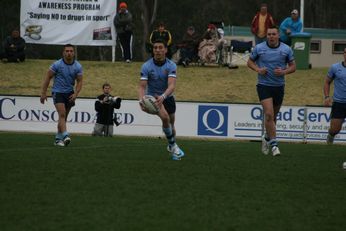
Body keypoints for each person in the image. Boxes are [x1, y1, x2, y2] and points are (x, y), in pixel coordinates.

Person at [247, 26, 296, 156]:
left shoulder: (286, 49)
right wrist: (258, 70)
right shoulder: (259, 48)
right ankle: (274, 145)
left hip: (279, 87)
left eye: (273, 34)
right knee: (268, 114)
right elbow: (249, 62)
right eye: (269, 34)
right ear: (266, 36)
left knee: (273, 118)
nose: (271, 36)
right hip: (264, 85)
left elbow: (293, 67)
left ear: (278, 35)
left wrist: (284, 72)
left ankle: (267, 137)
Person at [138, 39, 185, 160]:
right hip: (153, 98)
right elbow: (142, 86)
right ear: (153, 50)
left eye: (160, 48)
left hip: (167, 97)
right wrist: (141, 100)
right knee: (165, 118)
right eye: (155, 48)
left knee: (171, 125)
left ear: (165, 50)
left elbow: (172, 86)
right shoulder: (146, 66)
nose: (157, 50)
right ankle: (174, 147)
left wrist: (163, 96)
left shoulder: (171, 65)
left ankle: (171, 144)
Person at [40, 44, 83, 147]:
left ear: (74, 53)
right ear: (63, 53)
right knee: (62, 114)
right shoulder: (57, 64)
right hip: (57, 92)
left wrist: (76, 94)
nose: (69, 53)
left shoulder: (78, 66)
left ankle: (57, 139)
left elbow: (80, 81)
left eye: (71, 51)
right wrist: (43, 93)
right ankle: (65, 135)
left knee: (63, 118)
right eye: (67, 51)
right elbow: (47, 77)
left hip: (70, 93)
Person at [323, 48, 346, 145]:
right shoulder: (335, 67)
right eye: (345, 52)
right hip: (339, 103)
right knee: (335, 129)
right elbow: (327, 82)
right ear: (343, 54)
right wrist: (327, 97)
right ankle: (330, 137)